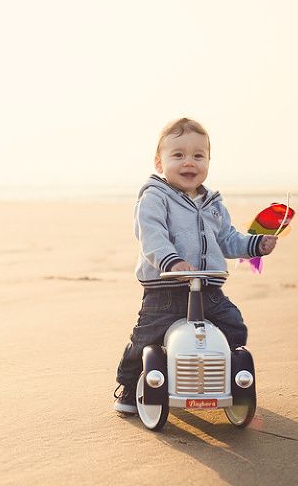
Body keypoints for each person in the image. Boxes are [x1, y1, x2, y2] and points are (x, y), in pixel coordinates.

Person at [114, 117, 278, 414]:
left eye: (198, 155)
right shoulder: (154, 197)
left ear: (208, 162)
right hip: (165, 289)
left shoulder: (213, 203)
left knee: (234, 327)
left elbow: (227, 239)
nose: (189, 162)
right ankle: (128, 386)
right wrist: (172, 262)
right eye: (178, 155)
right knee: (146, 338)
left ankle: (225, 379)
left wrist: (255, 245)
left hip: (208, 287)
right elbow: (151, 234)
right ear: (159, 163)